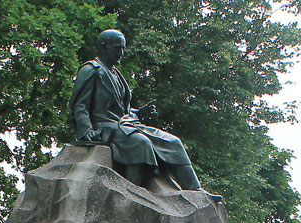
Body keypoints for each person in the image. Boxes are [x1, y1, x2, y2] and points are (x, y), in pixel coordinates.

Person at [70, 29, 218, 199]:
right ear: (103, 47)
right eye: (118, 48)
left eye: (123, 48)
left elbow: (121, 110)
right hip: (104, 126)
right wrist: (86, 132)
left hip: (126, 124)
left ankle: (195, 190)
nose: (121, 53)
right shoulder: (91, 70)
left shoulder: (116, 74)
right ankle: (131, 195)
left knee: (173, 142)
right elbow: (80, 105)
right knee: (140, 142)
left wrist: (139, 113)